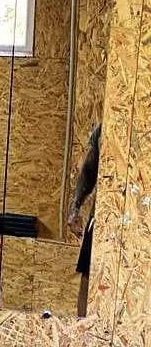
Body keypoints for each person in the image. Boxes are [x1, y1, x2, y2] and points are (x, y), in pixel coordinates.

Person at [68, 123, 101, 317]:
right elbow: (89, 171)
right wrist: (75, 208)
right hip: (103, 220)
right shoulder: (107, 129)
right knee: (88, 278)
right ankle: (83, 327)